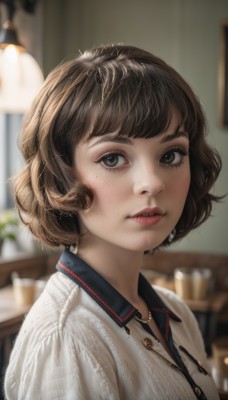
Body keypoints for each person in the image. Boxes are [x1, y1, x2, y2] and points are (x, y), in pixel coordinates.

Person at [4, 44, 222, 400]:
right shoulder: (66, 341)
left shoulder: (174, 311)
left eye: (171, 154)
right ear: (61, 176)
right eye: (112, 158)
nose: (152, 182)